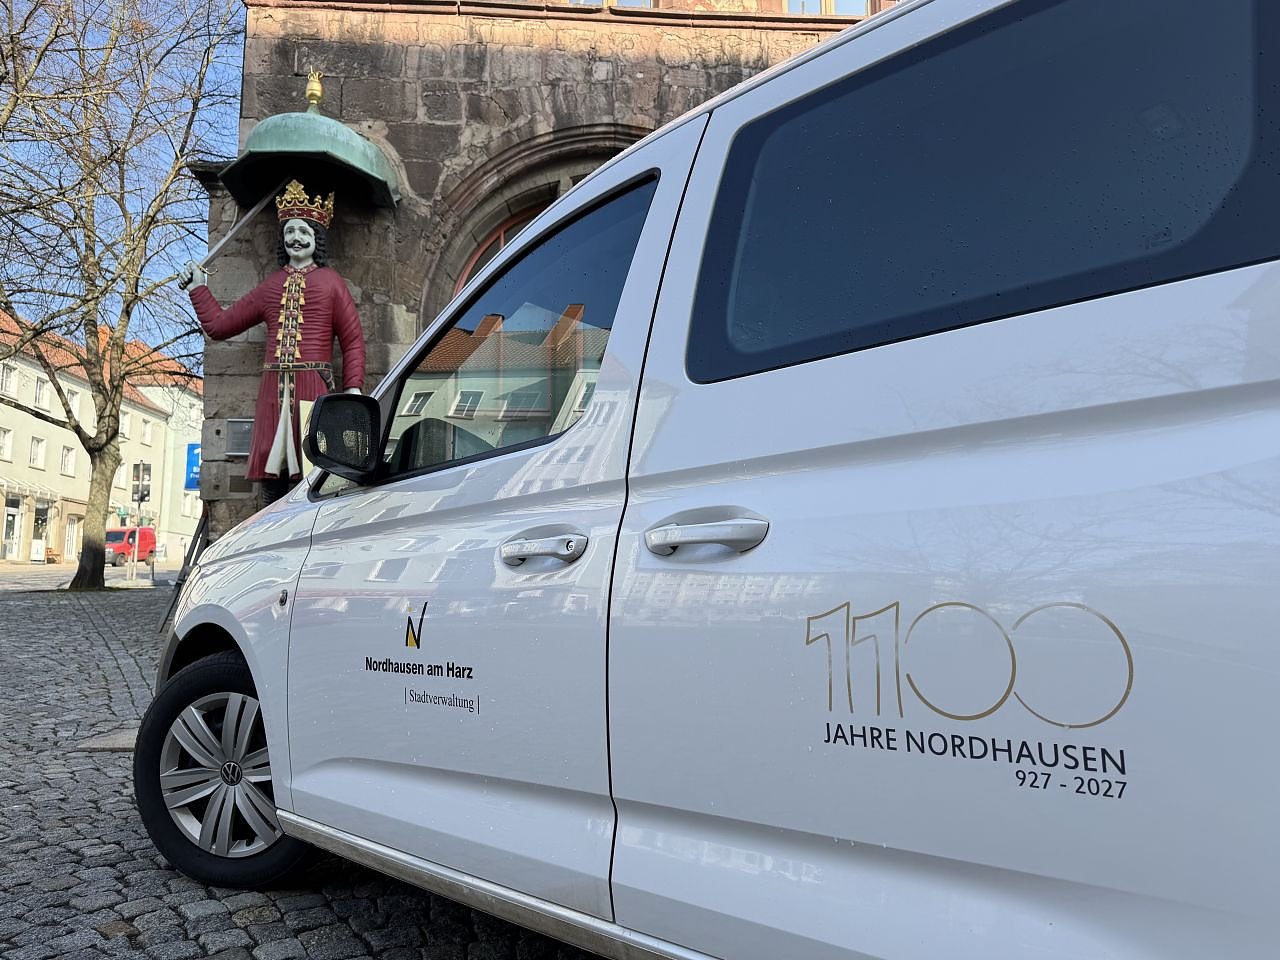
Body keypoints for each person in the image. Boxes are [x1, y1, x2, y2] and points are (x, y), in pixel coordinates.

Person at [179, 180, 366, 504]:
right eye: (290, 231)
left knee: (313, 469)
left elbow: (353, 341)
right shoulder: (272, 286)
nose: (296, 238)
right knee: (271, 478)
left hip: (313, 386)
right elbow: (219, 325)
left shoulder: (332, 283)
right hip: (272, 392)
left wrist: (353, 389)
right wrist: (198, 288)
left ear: (316, 238)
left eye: (304, 231)